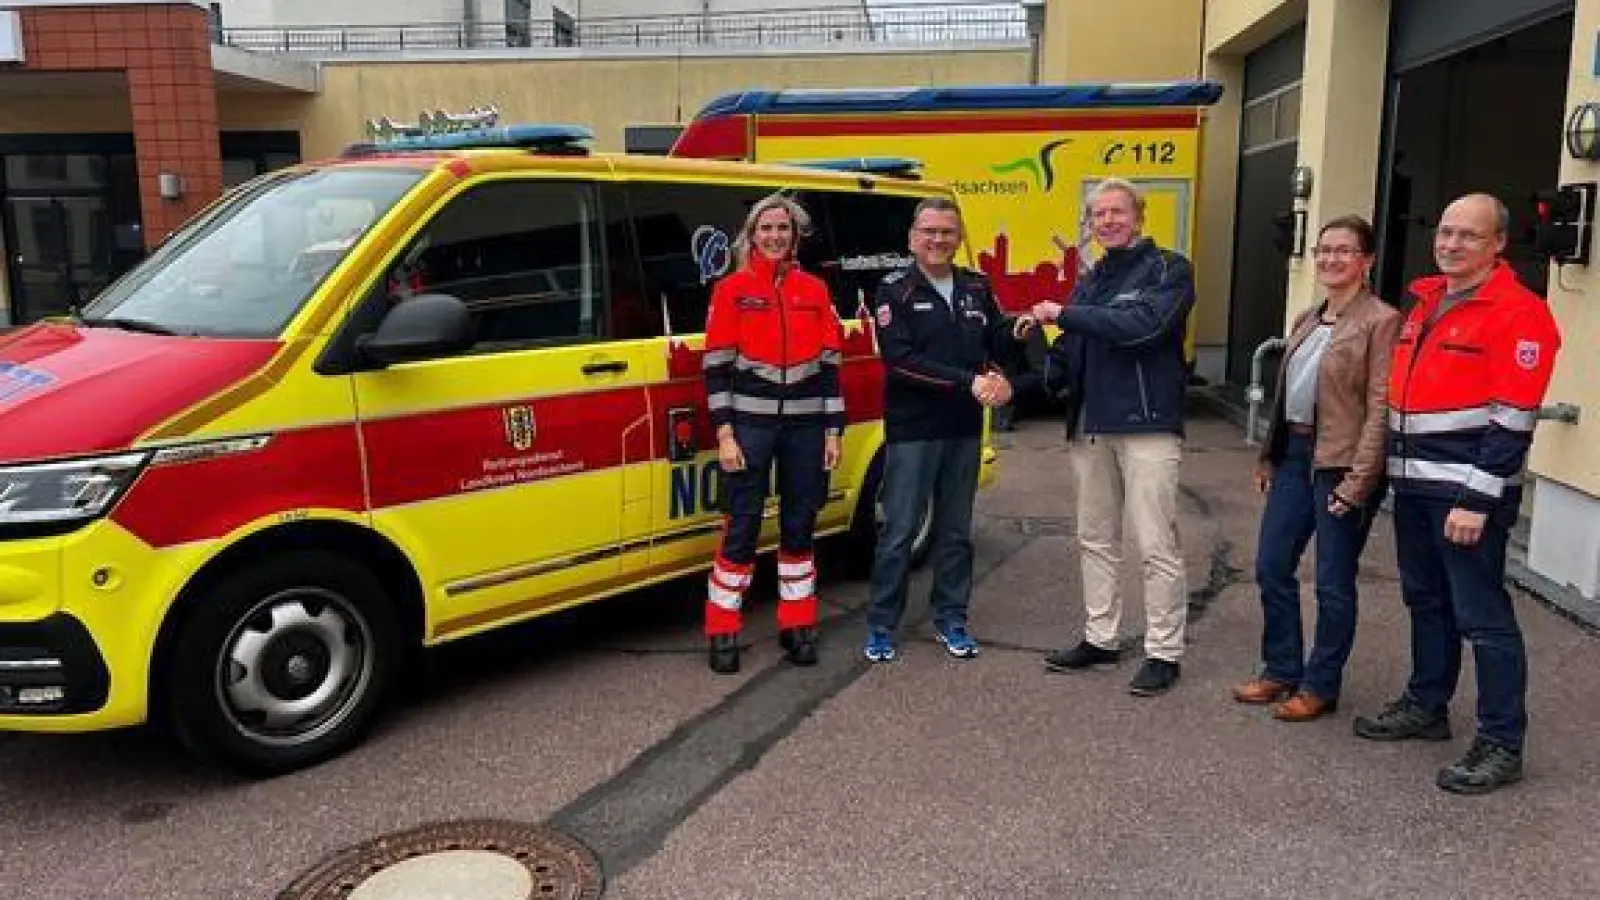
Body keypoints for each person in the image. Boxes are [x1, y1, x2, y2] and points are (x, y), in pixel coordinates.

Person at [1353, 193, 1561, 795]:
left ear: (1498, 243)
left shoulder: (1520, 313)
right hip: (1414, 489)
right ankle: (1427, 703)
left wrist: (1478, 499)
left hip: (1465, 494)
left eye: (1468, 235)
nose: (1451, 244)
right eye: (1445, 232)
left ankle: (1502, 742)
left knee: (1484, 618)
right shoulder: (1427, 302)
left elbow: (1514, 417)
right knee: (1426, 602)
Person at [1029, 177, 1196, 697]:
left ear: (1139, 216)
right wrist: (1037, 363)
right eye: (1099, 214)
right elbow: (1072, 346)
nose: (1108, 221)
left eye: (1117, 212)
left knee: (1155, 543)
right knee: (1095, 538)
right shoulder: (1092, 278)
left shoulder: (1169, 268)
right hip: (1091, 428)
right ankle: (1100, 636)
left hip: (1146, 426)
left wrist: (1065, 314)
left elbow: (1143, 326)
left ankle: (1164, 651)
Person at [1233, 215, 1401, 721]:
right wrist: (1269, 455)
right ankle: (1281, 667)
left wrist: (1358, 482)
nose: (1331, 259)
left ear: (1366, 261)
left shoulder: (1381, 321)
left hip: (1342, 464)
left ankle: (1321, 684)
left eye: (1344, 251)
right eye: (1325, 250)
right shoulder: (1307, 318)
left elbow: (1379, 408)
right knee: (1271, 565)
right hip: (1295, 456)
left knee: (1332, 581)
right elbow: (1286, 398)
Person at [862, 196, 1032, 662]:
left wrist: (1014, 331)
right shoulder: (893, 290)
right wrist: (969, 380)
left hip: (962, 428)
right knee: (898, 531)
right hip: (914, 430)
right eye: (929, 231)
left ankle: (951, 618)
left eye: (947, 232)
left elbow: (994, 337)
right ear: (912, 238)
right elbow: (900, 362)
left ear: (958, 238)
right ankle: (881, 625)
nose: (938, 240)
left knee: (956, 531)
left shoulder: (976, 285)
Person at [701, 193, 845, 675]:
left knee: (800, 526)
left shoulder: (816, 290)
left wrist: (833, 431)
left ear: (794, 235)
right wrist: (724, 434)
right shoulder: (731, 290)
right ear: (752, 234)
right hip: (749, 427)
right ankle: (722, 630)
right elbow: (716, 370)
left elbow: (830, 369)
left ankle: (798, 624)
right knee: (741, 526)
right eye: (767, 228)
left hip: (806, 427)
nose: (775, 236)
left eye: (783, 228)